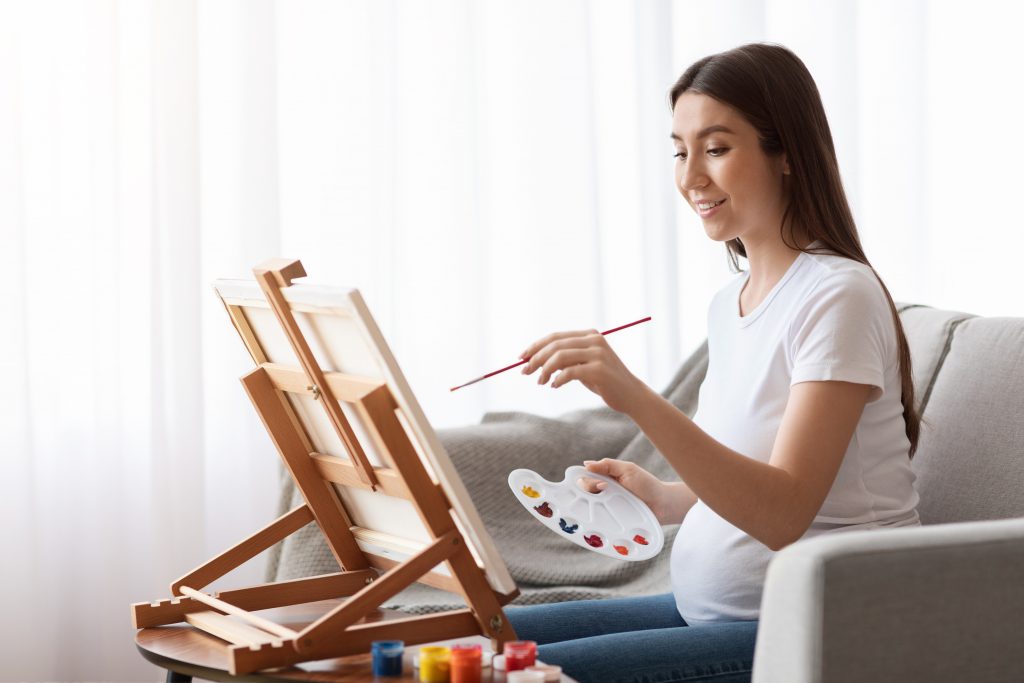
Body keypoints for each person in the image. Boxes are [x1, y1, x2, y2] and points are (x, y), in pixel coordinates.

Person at [504, 42, 921, 683]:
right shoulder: (731, 304)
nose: (690, 175)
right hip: (711, 614)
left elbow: (784, 514)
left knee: (506, 673)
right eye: (680, 150)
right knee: (463, 638)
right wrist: (667, 498)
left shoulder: (839, 294)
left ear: (785, 155)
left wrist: (636, 396)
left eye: (717, 149)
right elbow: (755, 473)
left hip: (810, 630)